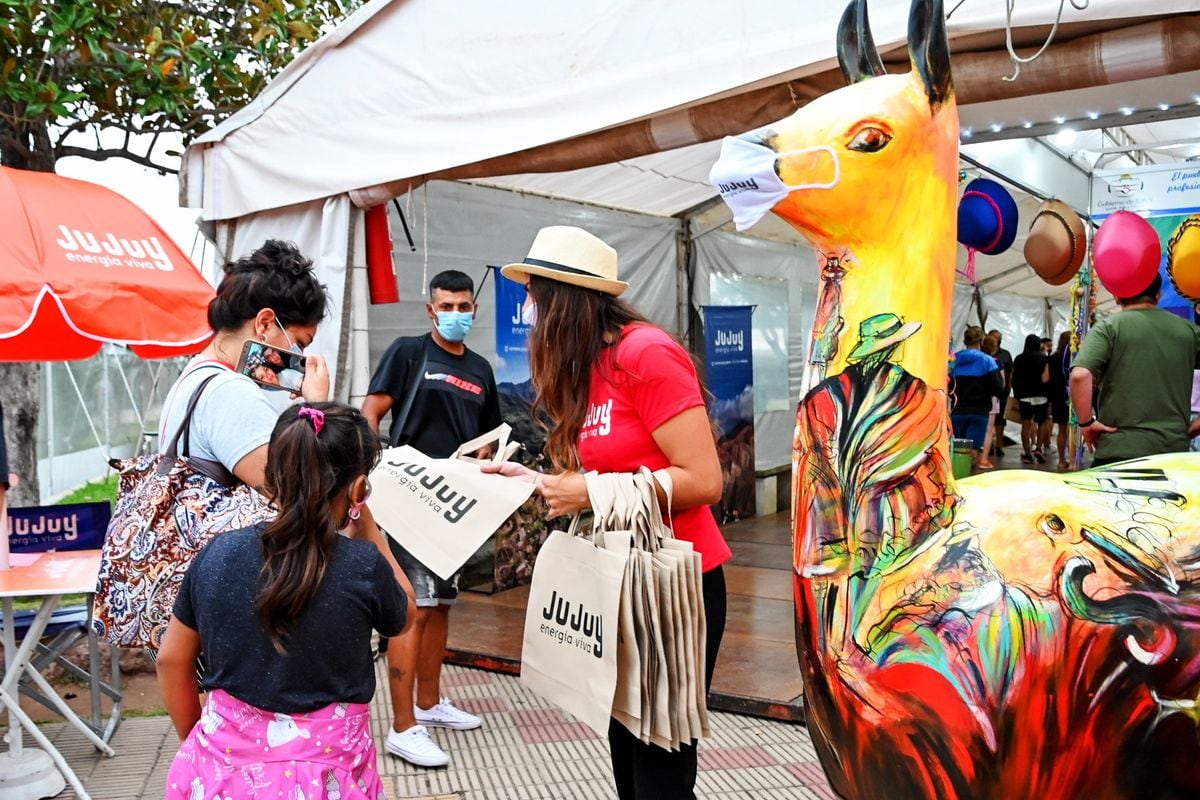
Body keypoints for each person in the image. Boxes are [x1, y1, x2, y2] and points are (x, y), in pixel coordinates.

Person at [488, 225, 729, 800]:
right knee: (627, 747)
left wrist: (593, 491)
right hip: (620, 580)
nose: (526, 308)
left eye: (534, 295)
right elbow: (595, 476)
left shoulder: (643, 353)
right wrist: (537, 481)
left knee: (660, 767)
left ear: (563, 300)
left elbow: (705, 479)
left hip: (677, 586)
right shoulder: (588, 365)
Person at [157, 403, 416, 799]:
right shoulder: (363, 567)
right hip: (330, 780)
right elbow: (406, 614)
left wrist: (202, 744)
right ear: (359, 487)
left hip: (223, 775)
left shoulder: (219, 554)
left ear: (272, 477)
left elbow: (172, 659)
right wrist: (366, 522)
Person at [362, 269, 501, 767]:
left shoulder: (482, 370)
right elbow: (371, 411)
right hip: (408, 498)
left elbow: (488, 436)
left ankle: (429, 702)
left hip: (454, 506)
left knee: (440, 605)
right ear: (431, 309)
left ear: (475, 310)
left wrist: (488, 463)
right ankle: (403, 728)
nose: (457, 315)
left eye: (465, 307)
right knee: (412, 607)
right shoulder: (408, 352)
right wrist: (369, 466)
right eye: (448, 306)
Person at [158, 240, 331, 492]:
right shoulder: (230, 392)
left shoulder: (196, 374)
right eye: (299, 344)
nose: (299, 357)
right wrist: (317, 408)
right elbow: (295, 498)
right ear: (265, 324)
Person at [1070, 274, 1200, 466]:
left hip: (1117, 450)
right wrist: (1195, 427)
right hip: (1172, 454)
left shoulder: (1108, 328)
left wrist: (1086, 423)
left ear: (1117, 296)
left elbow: (1080, 375)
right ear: (1158, 295)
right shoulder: (1189, 331)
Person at [950, 326, 1004, 470]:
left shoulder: (954, 359)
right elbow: (998, 388)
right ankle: (965, 482)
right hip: (978, 412)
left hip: (957, 411)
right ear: (981, 340)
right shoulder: (988, 361)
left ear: (964, 340)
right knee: (972, 452)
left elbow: (947, 384)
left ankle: (955, 481)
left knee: (956, 450)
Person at [1012, 333, 1050, 465]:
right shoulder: (1044, 358)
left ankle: (1027, 453)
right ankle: (1039, 448)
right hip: (1041, 395)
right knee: (1042, 423)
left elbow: (1014, 378)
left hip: (1024, 396)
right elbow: (1047, 378)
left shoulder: (1019, 359)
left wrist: (1016, 395)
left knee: (1026, 425)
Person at [1046, 331, 1073, 470]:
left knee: (1062, 429)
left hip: (1058, 396)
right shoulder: (1075, 357)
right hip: (1074, 395)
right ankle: (1073, 460)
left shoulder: (1053, 358)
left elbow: (1046, 378)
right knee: (1074, 429)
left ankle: (1062, 460)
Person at [978, 333, 1004, 469]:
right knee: (989, 430)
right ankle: (983, 459)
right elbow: (1002, 383)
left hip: (975, 398)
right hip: (992, 399)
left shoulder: (976, 360)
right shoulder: (995, 362)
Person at [987, 329, 1014, 458]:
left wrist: (1009, 386)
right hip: (987, 391)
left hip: (1002, 391)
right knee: (988, 420)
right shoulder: (984, 353)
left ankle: (999, 445)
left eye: (999, 337)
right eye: (995, 337)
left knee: (1000, 420)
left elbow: (1010, 371)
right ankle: (988, 445)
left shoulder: (1005, 354)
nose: (998, 339)